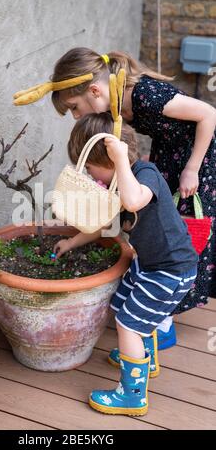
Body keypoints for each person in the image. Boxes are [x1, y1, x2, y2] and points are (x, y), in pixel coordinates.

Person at [49, 47, 216, 350]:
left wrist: (192, 169)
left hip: (198, 161)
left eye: (74, 107)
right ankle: (154, 312)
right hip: (171, 157)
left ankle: (161, 320)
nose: (75, 115)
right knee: (162, 222)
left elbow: (208, 114)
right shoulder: (116, 107)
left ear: (95, 90)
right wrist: (73, 241)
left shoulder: (142, 97)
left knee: (190, 229)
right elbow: (109, 219)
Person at [54, 112, 198, 416]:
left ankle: (132, 396)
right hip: (149, 265)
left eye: (92, 169)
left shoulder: (145, 174)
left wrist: (119, 158)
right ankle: (147, 359)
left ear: (110, 160)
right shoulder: (116, 185)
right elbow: (102, 223)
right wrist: (72, 241)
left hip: (171, 271)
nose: (92, 178)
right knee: (121, 305)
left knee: (128, 324)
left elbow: (134, 202)